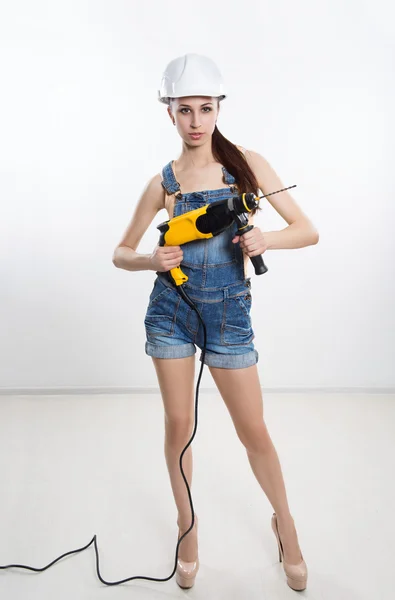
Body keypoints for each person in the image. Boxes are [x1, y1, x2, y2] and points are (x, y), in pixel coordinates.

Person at [112, 53, 319, 592]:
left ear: (218, 109)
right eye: (186, 110)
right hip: (171, 313)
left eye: (206, 108)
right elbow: (120, 251)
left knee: (254, 433)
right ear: (170, 114)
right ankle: (188, 529)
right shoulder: (164, 184)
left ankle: (287, 528)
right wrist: (149, 260)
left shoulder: (246, 166)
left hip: (229, 317)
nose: (197, 121)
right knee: (179, 429)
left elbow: (307, 230)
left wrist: (266, 238)